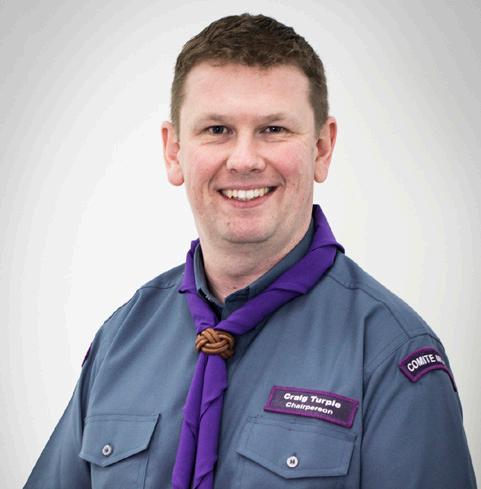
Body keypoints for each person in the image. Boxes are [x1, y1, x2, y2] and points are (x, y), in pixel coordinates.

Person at [24, 13, 477, 489]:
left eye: (274, 129)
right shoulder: (121, 340)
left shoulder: (389, 354)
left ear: (322, 148)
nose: (244, 160)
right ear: (174, 152)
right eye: (217, 129)